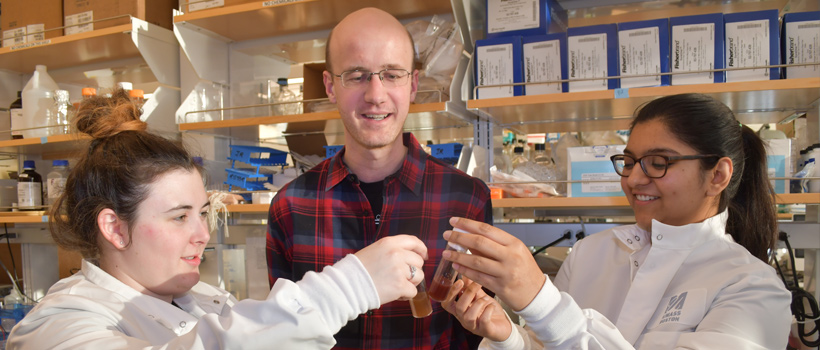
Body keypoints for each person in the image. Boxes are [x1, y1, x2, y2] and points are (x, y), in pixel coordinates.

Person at [7, 90, 429, 349]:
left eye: (203, 213)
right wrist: (347, 288)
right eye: (179, 217)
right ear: (114, 227)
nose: (202, 234)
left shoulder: (204, 299)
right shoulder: (58, 326)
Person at [439, 93, 792, 349]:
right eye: (629, 161)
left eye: (658, 162)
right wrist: (508, 337)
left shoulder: (752, 288)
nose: (634, 179)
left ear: (717, 175)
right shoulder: (591, 253)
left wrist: (542, 302)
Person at [266, 7, 493, 349]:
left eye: (392, 74)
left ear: (413, 84)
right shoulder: (290, 206)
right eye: (357, 75)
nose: (375, 94)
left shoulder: (467, 199)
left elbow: (476, 330)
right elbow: (282, 332)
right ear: (330, 86)